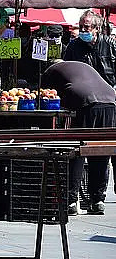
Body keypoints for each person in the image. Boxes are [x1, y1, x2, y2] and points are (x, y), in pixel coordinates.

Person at [41, 60, 115, 215]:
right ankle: (98, 200)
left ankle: (71, 201)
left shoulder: (51, 71)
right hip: (110, 101)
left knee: (78, 151)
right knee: (100, 151)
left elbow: (48, 95)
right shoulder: (80, 65)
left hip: (84, 100)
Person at [64, 10, 116, 87]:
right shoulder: (73, 46)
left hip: (108, 91)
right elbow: (67, 69)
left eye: (86, 26)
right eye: (80, 26)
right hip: (83, 91)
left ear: (97, 28)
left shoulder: (110, 45)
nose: (82, 30)